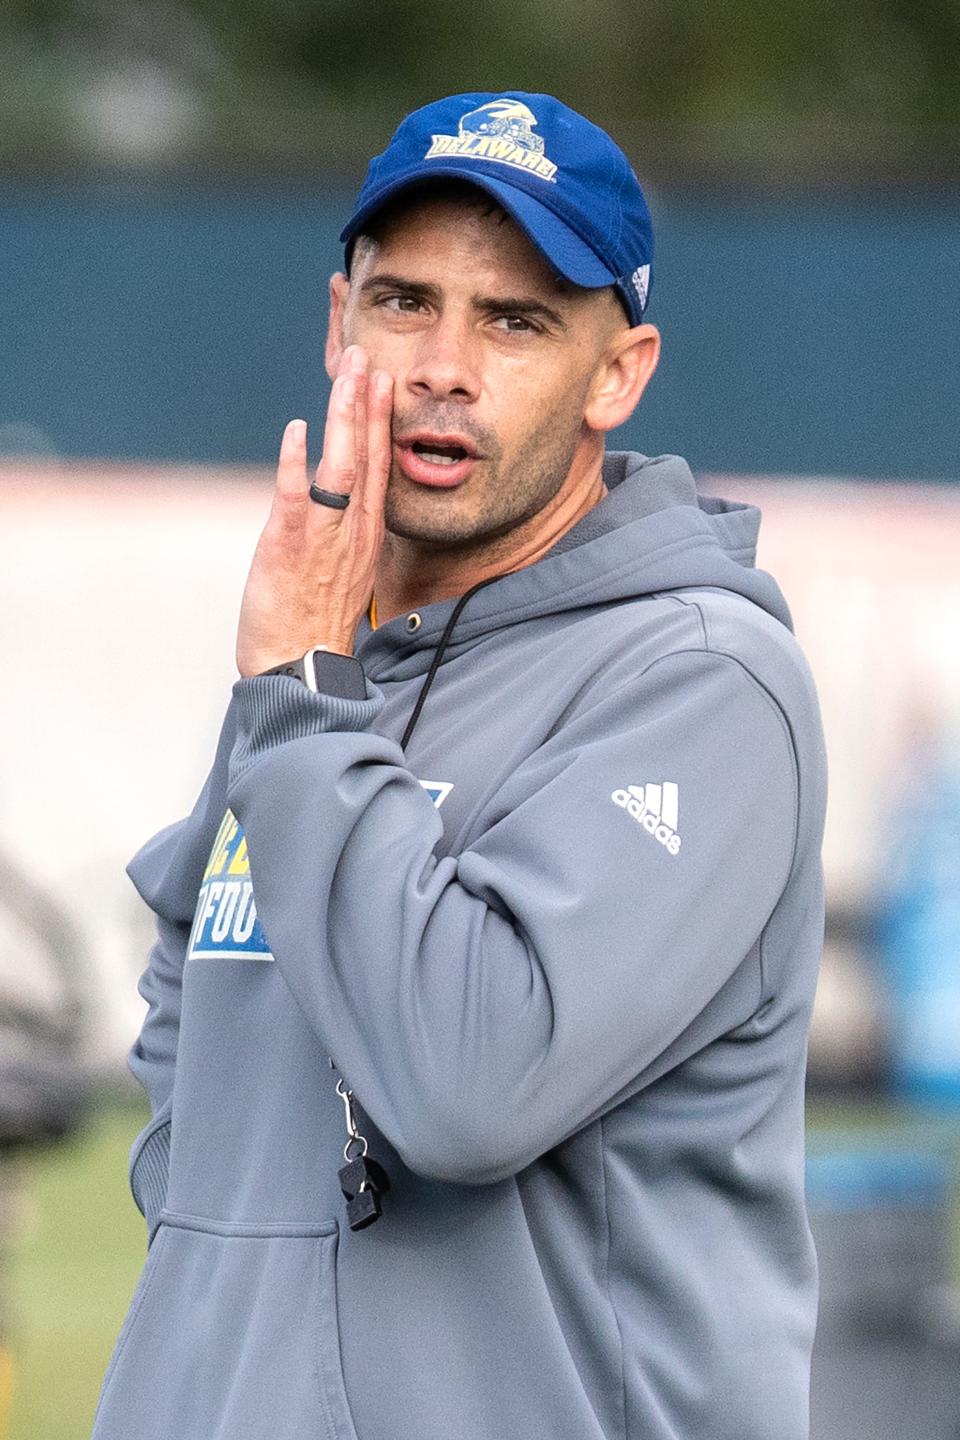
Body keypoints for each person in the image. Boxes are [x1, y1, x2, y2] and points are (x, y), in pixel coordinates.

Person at [92, 91, 827, 1440]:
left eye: (516, 321)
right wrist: (222, 1283)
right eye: (405, 303)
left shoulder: (703, 684)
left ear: (620, 373)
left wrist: (304, 696)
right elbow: (194, 970)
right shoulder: (337, 642)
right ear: (339, 322)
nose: (444, 364)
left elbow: (469, 1082)